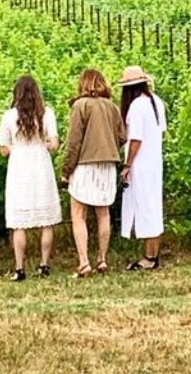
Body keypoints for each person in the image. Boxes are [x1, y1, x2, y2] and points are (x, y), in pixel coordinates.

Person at [62, 68, 126, 278]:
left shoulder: (80, 106)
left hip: (84, 164)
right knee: (103, 213)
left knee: (78, 214)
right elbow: (122, 136)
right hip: (108, 164)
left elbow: (73, 142)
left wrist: (66, 170)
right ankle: (102, 258)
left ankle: (83, 262)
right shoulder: (112, 107)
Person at [0, 75, 61, 282]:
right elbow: (54, 144)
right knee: (46, 220)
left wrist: (16, 148)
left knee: (18, 223)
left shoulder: (8, 116)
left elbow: (3, 149)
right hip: (40, 164)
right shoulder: (46, 113)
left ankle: (19, 268)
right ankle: (43, 265)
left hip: (19, 166)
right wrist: (44, 145)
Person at [117, 65, 166, 271]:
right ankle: (153, 253)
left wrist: (127, 164)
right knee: (153, 208)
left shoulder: (137, 106)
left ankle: (148, 257)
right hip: (154, 162)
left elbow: (135, 139)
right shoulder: (156, 102)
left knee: (145, 208)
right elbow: (161, 132)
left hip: (141, 165)